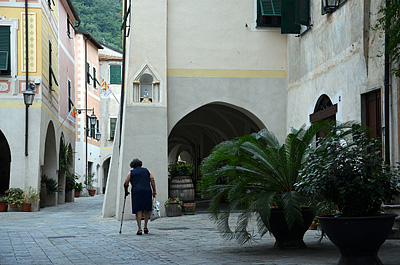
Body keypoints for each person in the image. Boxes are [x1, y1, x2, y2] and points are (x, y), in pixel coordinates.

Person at [124, 158, 157, 235]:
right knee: (146, 209)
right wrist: (154, 190)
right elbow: (152, 179)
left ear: (132, 165)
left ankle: (139, 229)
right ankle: (145, 226)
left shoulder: (131, 172)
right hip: (147, 190)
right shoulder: (146, 170)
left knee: (138, 210)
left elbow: (126, 183)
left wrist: (126, 191)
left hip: (136, 192)